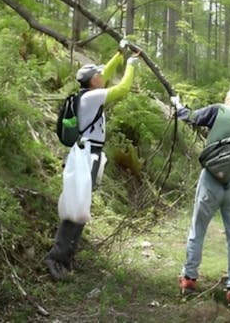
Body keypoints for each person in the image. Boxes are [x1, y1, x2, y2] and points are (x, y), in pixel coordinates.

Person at [43, 39, 140, 280]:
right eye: (97, 74)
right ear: (92, 80)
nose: (101, 75)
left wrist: (119, 55)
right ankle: (56, 258)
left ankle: (66, 257)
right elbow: (122, 88)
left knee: (81, 205)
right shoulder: (91, 98)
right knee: (76, 206)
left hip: (90, 154)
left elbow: (105, 74)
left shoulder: (88, 93)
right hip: (86, 155)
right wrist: (131, 64)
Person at [171, 85, 230, 304]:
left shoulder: (219, 110)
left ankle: (189, 278)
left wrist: (176, 104)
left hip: (211, 178)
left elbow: (189, 117)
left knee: (198, 228)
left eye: (228, 95)